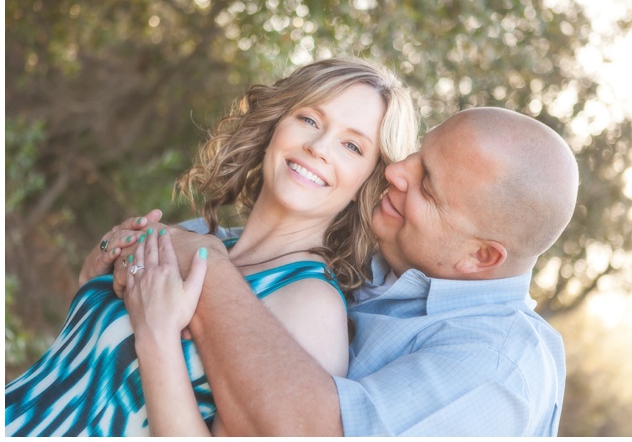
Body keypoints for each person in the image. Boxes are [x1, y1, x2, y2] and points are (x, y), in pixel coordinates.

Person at [4, 57, 419, 436]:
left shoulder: (312, 305)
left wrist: (158, 335)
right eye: (309, 119)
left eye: (352, 146)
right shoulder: (200, 238)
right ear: (276, 125)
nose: (319, 147)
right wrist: (91, 283)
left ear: (370, 182)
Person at [135, 106, 579, 436]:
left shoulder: (496, 373)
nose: (397, 171)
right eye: (418, 153)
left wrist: (206, 270)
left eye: (425, 184)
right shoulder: (378, 257)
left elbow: (310, 431)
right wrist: (135, 247)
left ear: (481, 257)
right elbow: (240, 250)